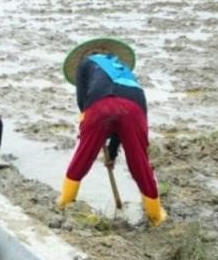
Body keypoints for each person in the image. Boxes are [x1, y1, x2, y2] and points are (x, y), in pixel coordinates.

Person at [57, 37, 167, 227]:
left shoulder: (85, 64)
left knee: (84, 155)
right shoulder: (123, 68)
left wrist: (93, 134)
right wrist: (113, 153)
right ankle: (156, 215)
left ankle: (65, 202)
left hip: (100, 105)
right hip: (135, 106)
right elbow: (120, 118)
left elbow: (82, 102)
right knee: (140, 162)